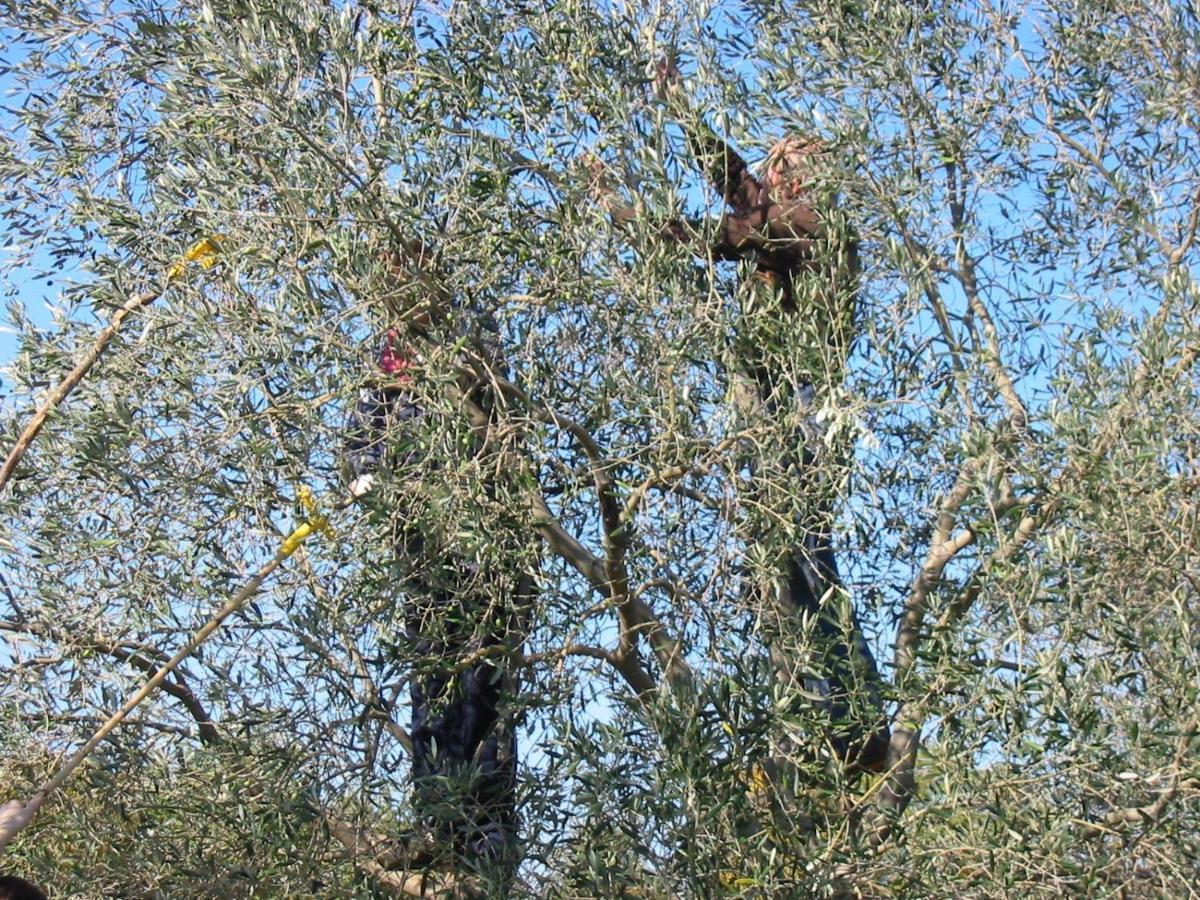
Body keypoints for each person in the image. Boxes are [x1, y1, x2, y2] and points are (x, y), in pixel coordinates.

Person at [596, 58, 889, 773]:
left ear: (804, 176)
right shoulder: (783, 216)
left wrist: (627, 216)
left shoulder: (813, 222)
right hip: (780, 416)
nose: (769, 173)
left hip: (802, 413)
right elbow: (735, 186)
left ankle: (854, 723)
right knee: (781, 569)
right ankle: (823, 720)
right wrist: (677, 104)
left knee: (804, 559)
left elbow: (725, 232)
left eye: (780, 166)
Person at [344, 326, 521, 872]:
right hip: (422, 554)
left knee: (482, 691)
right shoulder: (389, 358)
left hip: (481, 559)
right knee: (431, 683)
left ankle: (487, 842)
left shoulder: (469, 333)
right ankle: (438, 824)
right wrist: (365, 477)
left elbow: (499, 420)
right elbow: (358, 440)